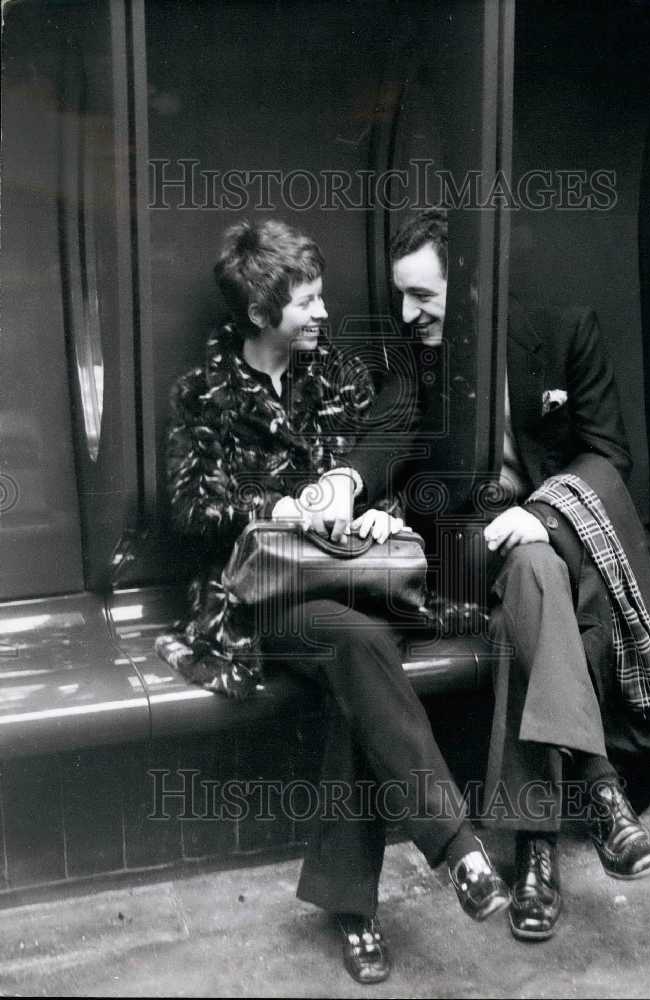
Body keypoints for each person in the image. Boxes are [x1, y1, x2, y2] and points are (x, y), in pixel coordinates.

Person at [163, 218, 511, 985]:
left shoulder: (337, 375)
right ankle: (455, 851)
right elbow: (185, 510)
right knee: (361, 648)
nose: (323, 314)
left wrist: (364, 500)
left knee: (360, 655)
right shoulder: (205, 394)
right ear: (261, 315)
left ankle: (355, 902)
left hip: (346, 581)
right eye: (307, 303)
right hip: (264, 595)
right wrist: (279, 507)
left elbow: (380, 449)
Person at [343, 209, 650, 942]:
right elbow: (385, 436)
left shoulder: (562, 331)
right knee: (531, 581)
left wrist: (543, 516)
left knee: (531, 585)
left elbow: (606, 455)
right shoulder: (413, 358)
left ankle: (536, 855)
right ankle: (599, 795)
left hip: (554, 545)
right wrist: (347, 483)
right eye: (401, 297)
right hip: (462, 556)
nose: (408, 315)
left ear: (468, 285)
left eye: (423, 297)